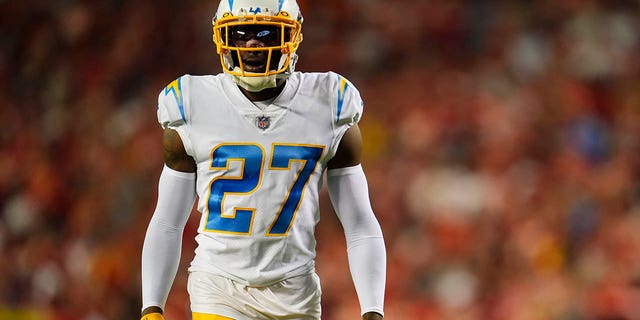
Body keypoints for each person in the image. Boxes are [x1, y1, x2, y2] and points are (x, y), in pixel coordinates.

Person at [140, 0, 386, 319]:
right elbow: (167, 219)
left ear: (292, 38)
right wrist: (152, 307)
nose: (253, 44)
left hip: (296, 293)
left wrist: (373, 310)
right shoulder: (192, 102)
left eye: (267, 32)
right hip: (219, 287)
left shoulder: (329, 101)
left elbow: (359, 222)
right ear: (222, 38)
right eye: (241, 33)